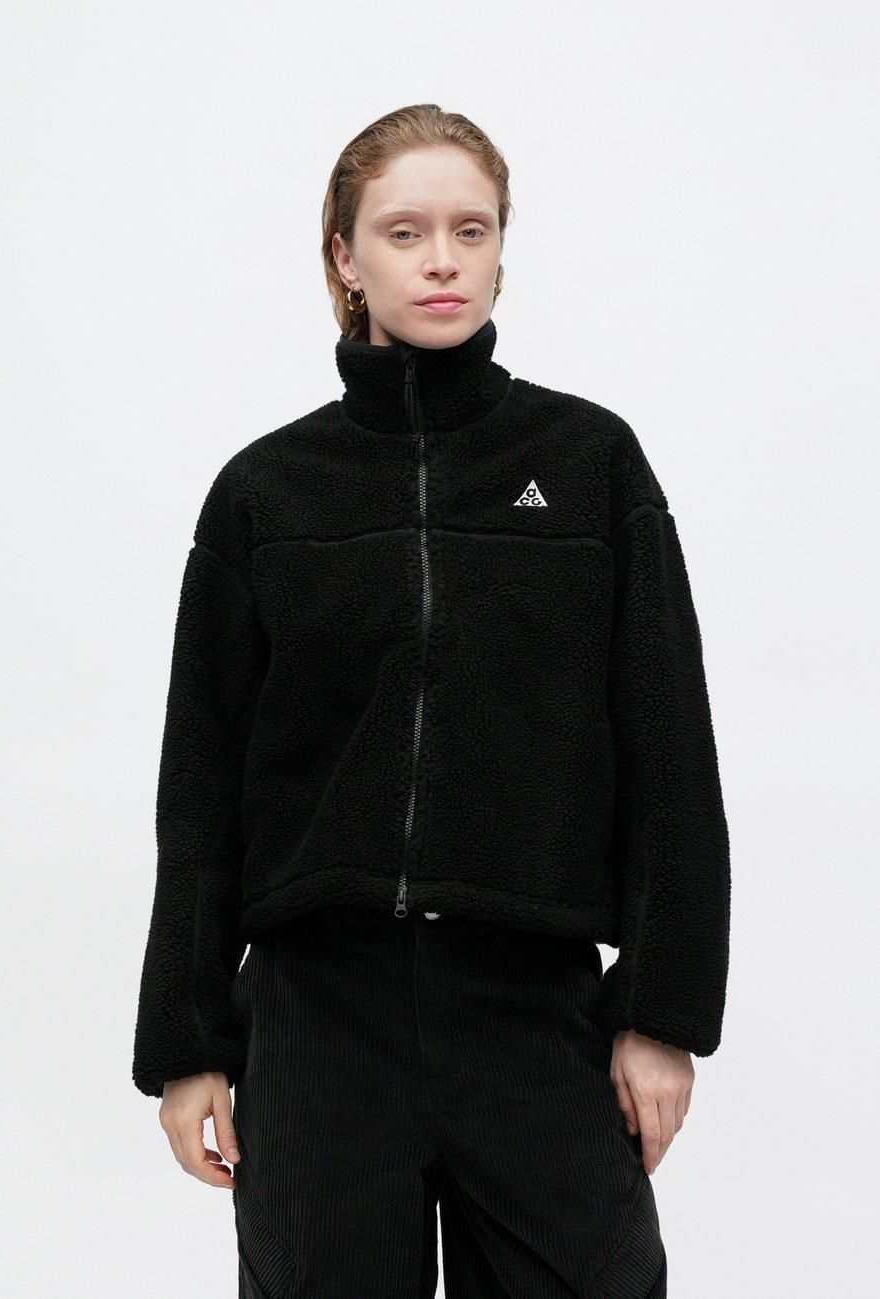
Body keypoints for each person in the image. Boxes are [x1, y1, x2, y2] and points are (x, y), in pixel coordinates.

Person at [132, 103, 731, 1299]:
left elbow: (671, 753)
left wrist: (663, 1014)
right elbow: (202, 787)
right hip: (319, 1016)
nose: (442, 260)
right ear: (346, 257)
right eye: (404, 232)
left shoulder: (591, 464)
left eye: (472, 229)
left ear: (503, 248)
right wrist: (188, 1045)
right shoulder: (266, 492)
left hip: (532, 1004)